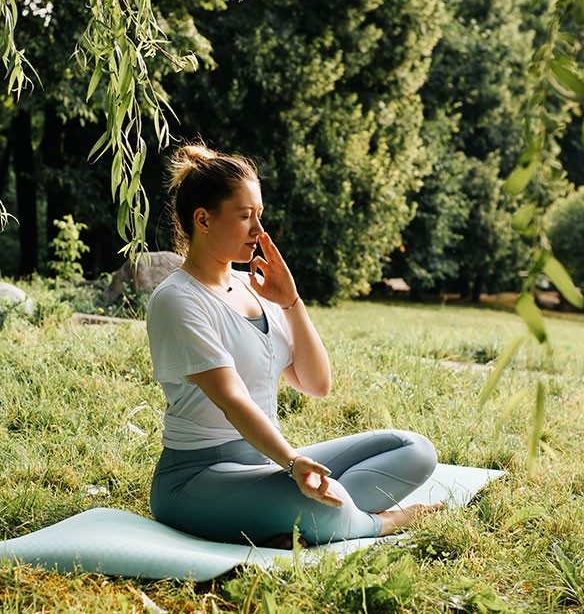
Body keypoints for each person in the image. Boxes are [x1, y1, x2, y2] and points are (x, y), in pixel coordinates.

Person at [146, 143, 441, 547]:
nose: (259, 230)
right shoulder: (178, 299)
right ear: (204, 219)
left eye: (260, 216)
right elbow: (234, 401)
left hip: (264, 464)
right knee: (321, 504)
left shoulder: (255, 287)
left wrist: (291, 301)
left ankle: (310, 515)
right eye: (245, 216)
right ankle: (382, 522)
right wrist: (292, 461)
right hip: (195, 481)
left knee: (415, 450)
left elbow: (316, 383)